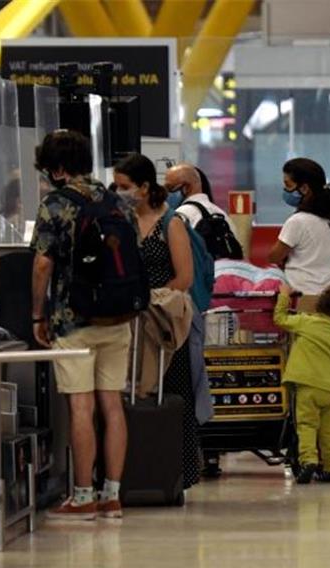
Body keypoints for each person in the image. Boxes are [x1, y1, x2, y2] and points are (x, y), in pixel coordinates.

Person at [30, 130, 136, 521]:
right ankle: (113, 495)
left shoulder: (55, 204)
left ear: (57, 169)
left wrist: (37, 314)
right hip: (118, 316)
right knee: (112, 404)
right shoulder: (118, 202)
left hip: (72, 320)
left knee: (81, 405)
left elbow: (43, 264)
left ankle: (82, 494)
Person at [113, 152, 202, 492]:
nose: (120, 192)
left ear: (145, 187)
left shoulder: (172, 223)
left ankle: (177, 472)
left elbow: (184, 277)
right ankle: (137, 470)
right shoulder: (122, 219)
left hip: (163, 324)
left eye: (126, 187)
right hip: (129, 322)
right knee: (132, 394)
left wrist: (149, 299)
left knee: (173, 392)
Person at [274, 282, 330, 484]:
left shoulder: (306, 322)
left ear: (319, 306)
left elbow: (279, 318)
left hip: (307, 385)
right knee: (329, 431)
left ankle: (309, 461)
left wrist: (284, 295)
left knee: (307, 426)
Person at [268, 158, 330, 313]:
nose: (285, 191)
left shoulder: (298, 221)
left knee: (301, 337)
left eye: (288, 185)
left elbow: (274, 257)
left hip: (302, 298)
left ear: (305, 188)